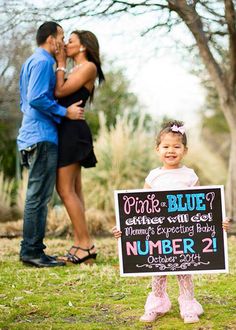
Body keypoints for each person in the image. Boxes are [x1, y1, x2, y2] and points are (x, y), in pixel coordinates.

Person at [112, 120, 230, 324]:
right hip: (158, 238)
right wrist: (125, 229)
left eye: (176, 146)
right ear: (157, 149)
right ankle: (157, 305)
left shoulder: (190, 176)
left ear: (185, 150)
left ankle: (188, 305)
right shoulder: (153, 176)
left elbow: (203, 208)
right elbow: (139, 211)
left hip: (183, 236)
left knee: (184, 271)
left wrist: (218, 223)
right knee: (158, 271)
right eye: (166, 146)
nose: (171, 151)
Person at [17, 21, 85, 268]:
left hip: (31, 133)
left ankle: (33, 250)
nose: (63, 42)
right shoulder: (44, 61)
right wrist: (63, 112)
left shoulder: (31, 62)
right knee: (38, 197)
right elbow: (36, 98)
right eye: (62, 36)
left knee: (37, 196)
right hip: (42, 137)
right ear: (51, 39)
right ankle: (32, 252)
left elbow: (24, 100)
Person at [54, 30, 105, 264]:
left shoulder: (88, 67)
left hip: (73, 133)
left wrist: (61, 64)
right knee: (73, 189)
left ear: (83, 47)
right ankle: (80, 244)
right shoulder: (76, 68)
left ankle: (85, 245)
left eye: (70, 41)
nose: (66, 44)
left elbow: (60, 91)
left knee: (65, 190)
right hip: (68, 130)